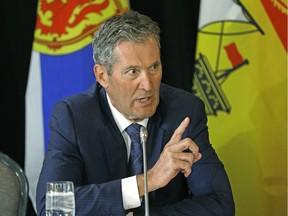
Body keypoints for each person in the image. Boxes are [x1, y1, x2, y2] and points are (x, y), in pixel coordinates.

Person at [36, 10, 235, 215]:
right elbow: (52, 207)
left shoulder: (183, 112)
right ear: (103, 76)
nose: (148, 85)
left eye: (154, 67)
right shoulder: (73, 118)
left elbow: (219, 205)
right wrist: (147, 181)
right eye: (133, 72)